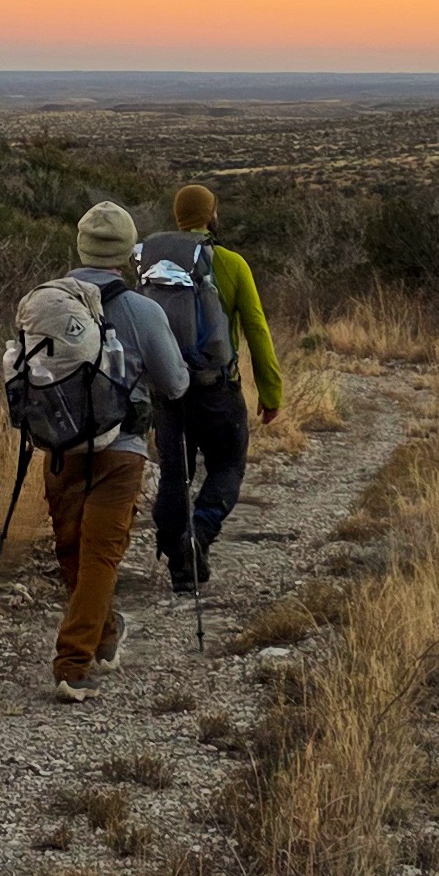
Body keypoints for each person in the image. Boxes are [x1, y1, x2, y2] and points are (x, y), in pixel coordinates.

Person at [40, 200, 190, 700]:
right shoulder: (143, 311)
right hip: (121, 450)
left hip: (59, 448)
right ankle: (74, 664)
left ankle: (96, 641)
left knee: (73, 552)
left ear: (80, 245)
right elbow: (174, 384)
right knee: (100, 557)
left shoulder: (45, 305)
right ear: (128, 254)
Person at [134, 182, 284, 590]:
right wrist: (271, 392)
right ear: (211, 214)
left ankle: (178, 556)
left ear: (178, 216)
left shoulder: (153, 263)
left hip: (168, 390)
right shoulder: (232, 264)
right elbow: (256, 328)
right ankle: (197, 536)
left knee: (174, 474)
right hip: (217, 391)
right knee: (227, 467)